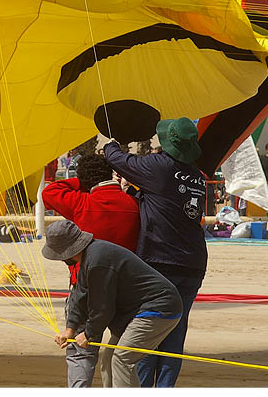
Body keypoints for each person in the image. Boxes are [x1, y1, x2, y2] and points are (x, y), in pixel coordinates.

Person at [102, 117, 207, 388]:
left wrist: (111, 144)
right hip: (193, 264)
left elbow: (119, 160)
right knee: (175, 333)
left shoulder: (159, 166)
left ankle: (145, 389)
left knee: (148, 332)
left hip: (161, 262)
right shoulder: (197, 176)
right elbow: (167, 204)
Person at [41, 154, 140, 387]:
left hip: (85, 287)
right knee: (123, 357)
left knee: (80, 353)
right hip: (124, 289)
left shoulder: (81, 203)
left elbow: (49, 193)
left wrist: (82, 182)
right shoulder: (132, 204)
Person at [45, 220, 182, 388]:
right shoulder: (90, 256)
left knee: (123, 358)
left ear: (65, 251)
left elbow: (102, 308)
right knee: (109, 358)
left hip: (159, 308)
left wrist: (88, 334)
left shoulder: (97, 261)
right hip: (142, 310)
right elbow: (80, 295)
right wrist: (70, 329)